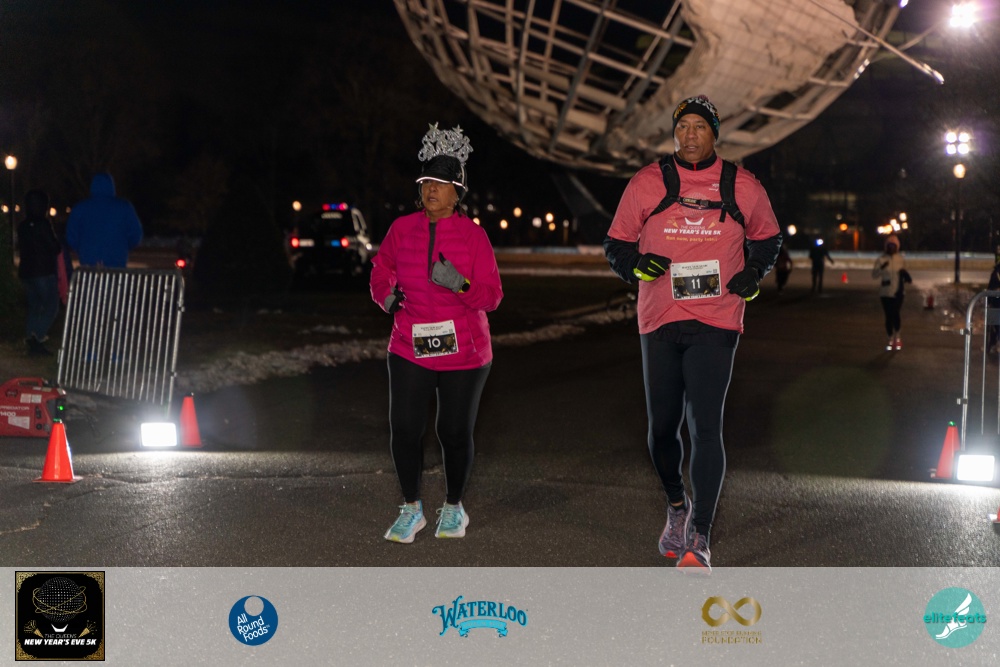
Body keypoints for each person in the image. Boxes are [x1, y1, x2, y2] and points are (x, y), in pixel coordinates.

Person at [603, 95, 781, 573]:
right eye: (683, 127)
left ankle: (700, 533)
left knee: (704, 425)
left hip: (716, 318)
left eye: (700, 126)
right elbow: (616, 243)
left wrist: (754, 273)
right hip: (659, 317)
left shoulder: (741, 185)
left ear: (714, 134)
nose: (690, 135)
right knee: (662, 428)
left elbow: (769, 238)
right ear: (675, 132)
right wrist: (635, 264)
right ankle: (677, 506)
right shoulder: (648, 182)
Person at [370, 124, 503, 544]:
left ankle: (454, 506)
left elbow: (492, 297)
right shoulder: (401, 228)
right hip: (409, 345)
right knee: (405, 429)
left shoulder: (474, 236)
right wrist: (386, 297)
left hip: (464, 351)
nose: (431, 189)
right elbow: (381, 269)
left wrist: (460, 284)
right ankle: (411, 508)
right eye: (427, 181)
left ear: (456, 192)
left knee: (453, 432)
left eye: (441, 183)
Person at [17, 190, 62, 356]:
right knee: (51, 306)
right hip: (43, 271)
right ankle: (38, 337)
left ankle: (31, 338)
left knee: (35, 307)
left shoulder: (22, 226)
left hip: (26, 272)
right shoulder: (43, 224)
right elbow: (54, 247)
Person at [65, 172, 143, 268]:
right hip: (117, 261)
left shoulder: (80, 208)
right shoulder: (124, 207)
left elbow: (71, 236)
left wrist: (82, 249)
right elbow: (136, 234)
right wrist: (123, 247)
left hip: (88, 260)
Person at [872, 234, 911, 351]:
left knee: (896, 313)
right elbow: (874, 275)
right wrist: (882, 268)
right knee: (888, 316)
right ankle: (890, 337)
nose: (891, 248)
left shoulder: (900, 260)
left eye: (894, 246)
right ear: (886, 246)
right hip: (885, 292)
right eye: (889, 245)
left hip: (898, 292)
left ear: (897, 247)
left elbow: (905, 274)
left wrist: (906, 275)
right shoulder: (881, 259)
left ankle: (897, 336)